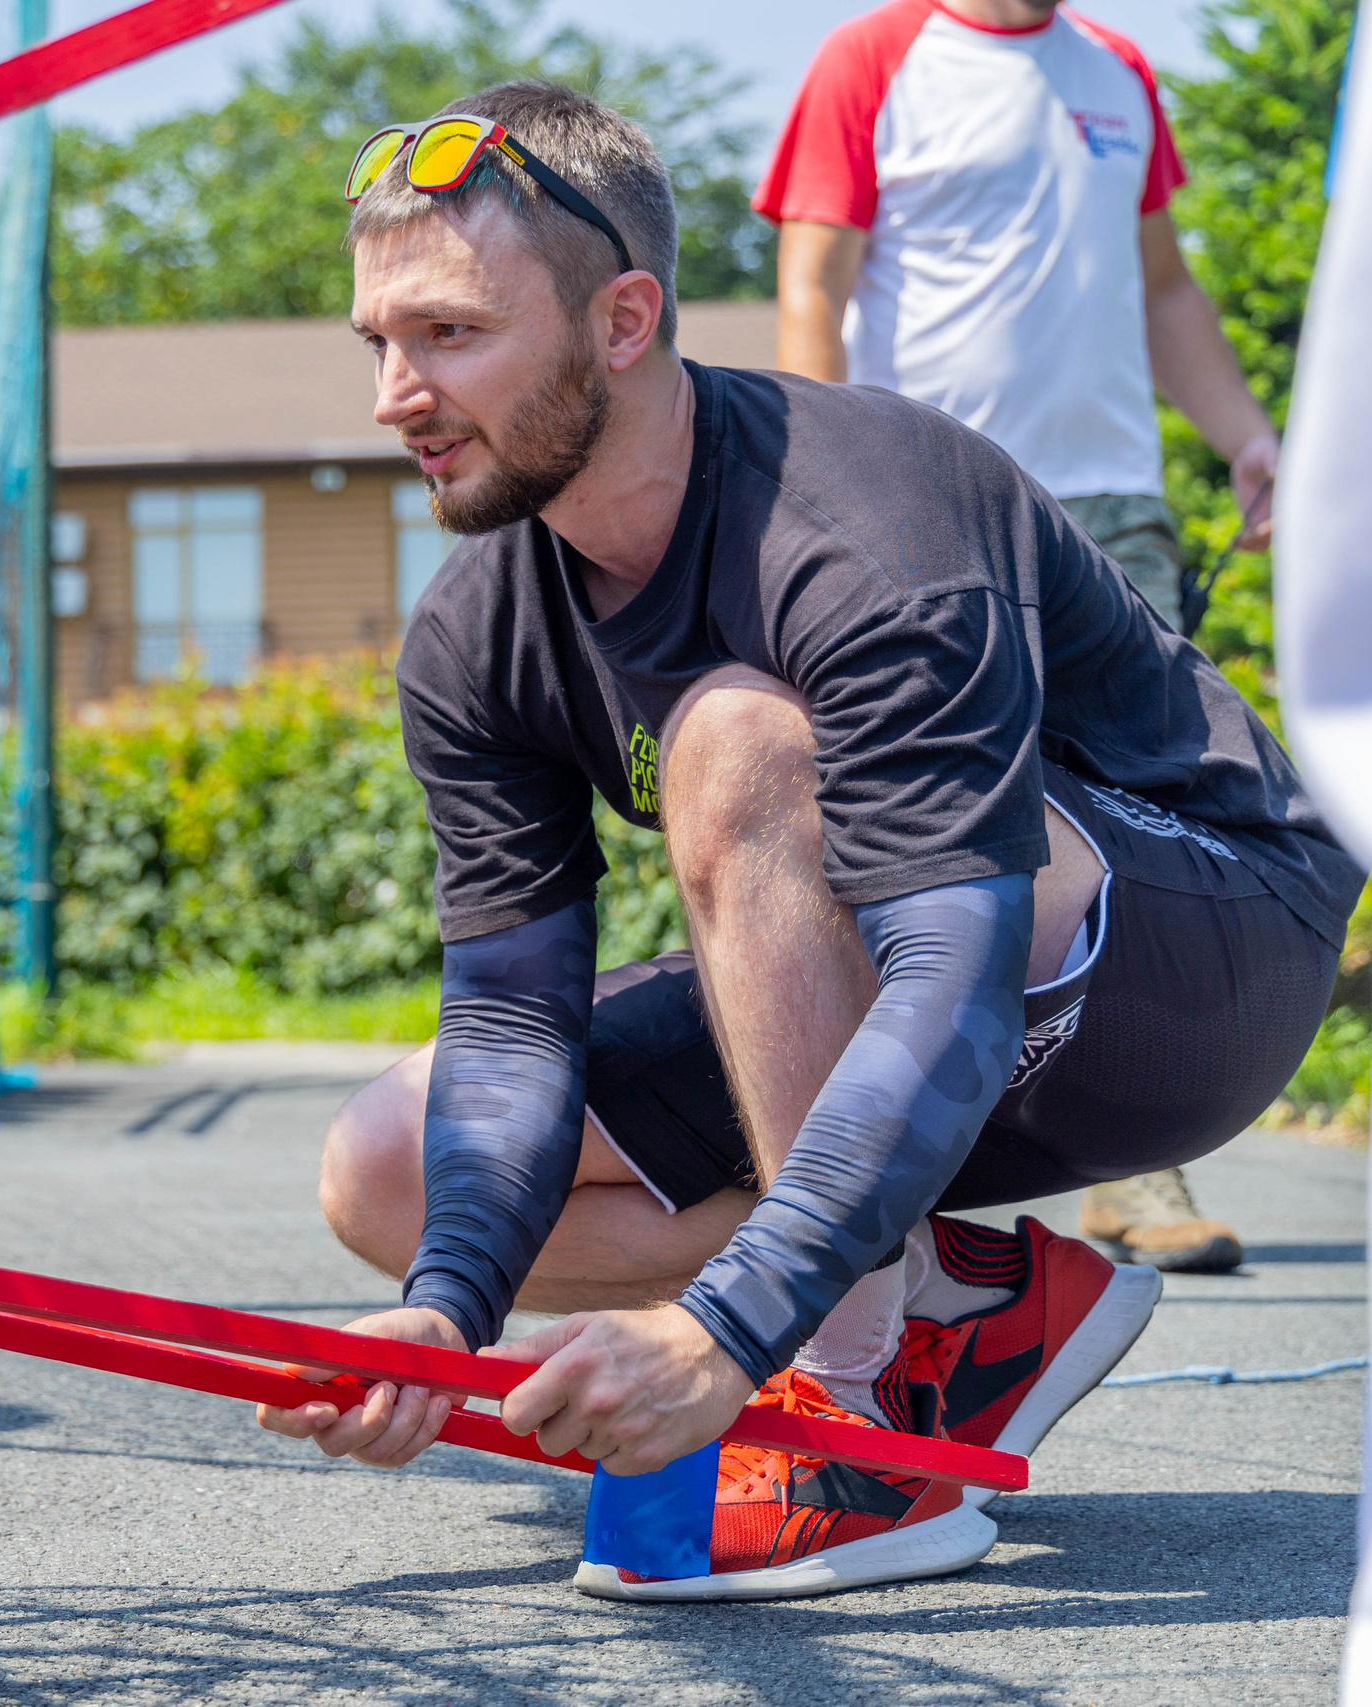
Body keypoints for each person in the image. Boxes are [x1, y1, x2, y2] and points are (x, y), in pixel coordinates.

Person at [263, 78, 1360, 1599]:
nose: (396, 391)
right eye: (381, 342)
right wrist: (453, 1310)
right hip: (961, 955)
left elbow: (953, 979)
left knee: (734, 739)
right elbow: (513, 1014)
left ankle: (852, 1414)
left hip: (1210, 935)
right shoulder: (479, 629)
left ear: (625, 320)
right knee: (388, 1169)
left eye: (451, 334)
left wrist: (732, 1329)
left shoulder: (859, 519)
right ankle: (961, 1305)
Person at [756, 0, 1282, 1273]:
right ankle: (867, 1152)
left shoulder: (1117, 70)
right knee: (936, 824)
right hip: (931, 499)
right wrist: (822, 487)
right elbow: (810, 291)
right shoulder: (872, 61)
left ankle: (1134, 1169)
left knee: (1133, 826)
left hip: (1114, 505)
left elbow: (1161, 287)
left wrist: (1249, 440)